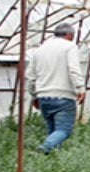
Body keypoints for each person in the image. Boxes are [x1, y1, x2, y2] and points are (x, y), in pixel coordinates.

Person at [26, 23, 86, 153]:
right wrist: (81, 88)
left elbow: (30, 76)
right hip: (63, 96)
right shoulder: (69, 47)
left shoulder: (40, 49)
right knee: (64, 129)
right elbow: (73, 69)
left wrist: (34, 95)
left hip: (43, 97)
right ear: (70, 35)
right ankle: (45, 148)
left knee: (52, 130)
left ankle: (51, 157)